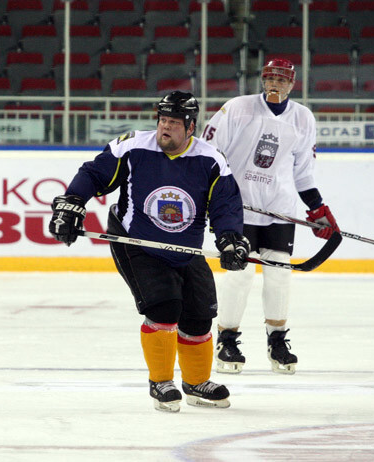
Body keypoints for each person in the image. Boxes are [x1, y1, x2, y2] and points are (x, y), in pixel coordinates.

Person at [48, 91, 250, 412]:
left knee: (200, 314)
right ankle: (161, 381)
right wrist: (72, 202)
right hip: (136, 241)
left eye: (173, 122)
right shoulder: (132, 147)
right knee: (164, 306)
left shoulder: (210, 159)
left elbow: (225, 203)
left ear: (190, 126)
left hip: (186, 248)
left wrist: (229, 237)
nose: (165, 128)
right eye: (162, 120)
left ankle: (196, 383)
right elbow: (93, 174)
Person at [201, 58, 340, 375]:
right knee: (241, 274)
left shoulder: (303, 118)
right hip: (238, 209)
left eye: (282, 79)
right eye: (270, 78)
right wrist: (213, 194)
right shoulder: (238, 108)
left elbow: (303, 173)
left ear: (293, 84)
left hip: (280, 209)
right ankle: (226, 338)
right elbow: (207, 151)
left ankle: (276, 339)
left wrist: (318, 209)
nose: (275, 84)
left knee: (279, 275)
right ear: (263, 81)